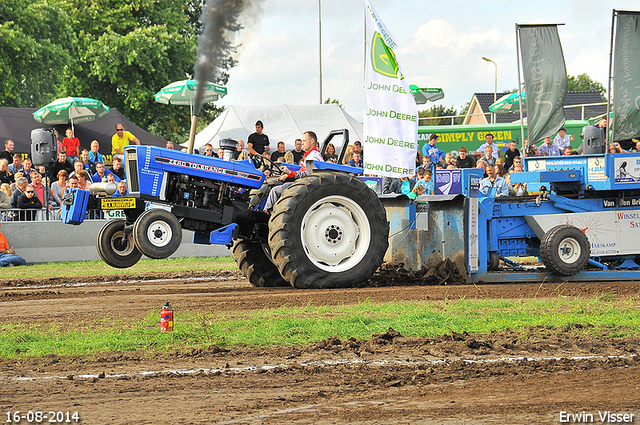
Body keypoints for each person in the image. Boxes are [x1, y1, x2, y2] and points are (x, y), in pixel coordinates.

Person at [263, 131, 322, 213]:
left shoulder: (313, 156)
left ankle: (267, 212)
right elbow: (302, 171)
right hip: (303, 182)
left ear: (312, 141)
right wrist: (287, 175)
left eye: (304, 141)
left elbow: (307, 175)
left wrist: (289, 171)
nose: (302, 144)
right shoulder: (312, 155)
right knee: (281, 185)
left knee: (275, 190)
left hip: (306, 185)